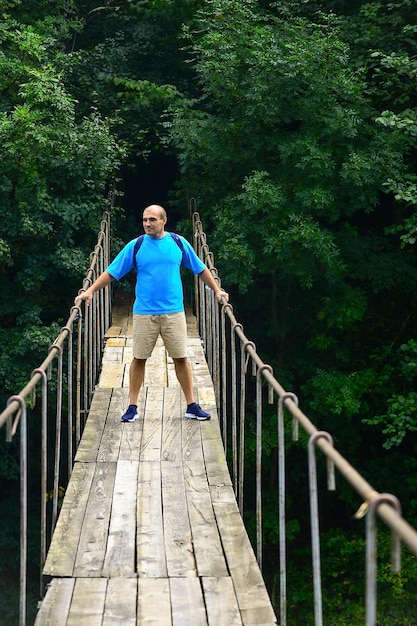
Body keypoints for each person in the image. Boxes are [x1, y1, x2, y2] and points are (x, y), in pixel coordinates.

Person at [75, 204, 229, 422]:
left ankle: (192, 406)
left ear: (163, 221)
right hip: (144, 313)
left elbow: (201, 268)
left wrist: (217, 290)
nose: (147, 223)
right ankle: (132, 406)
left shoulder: (178, 243)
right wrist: (89, 290)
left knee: (181, 358)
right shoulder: (136, 246)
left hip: (174, 312)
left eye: (152, 220)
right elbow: (112, 272)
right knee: (139, 359)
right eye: (145, 219)